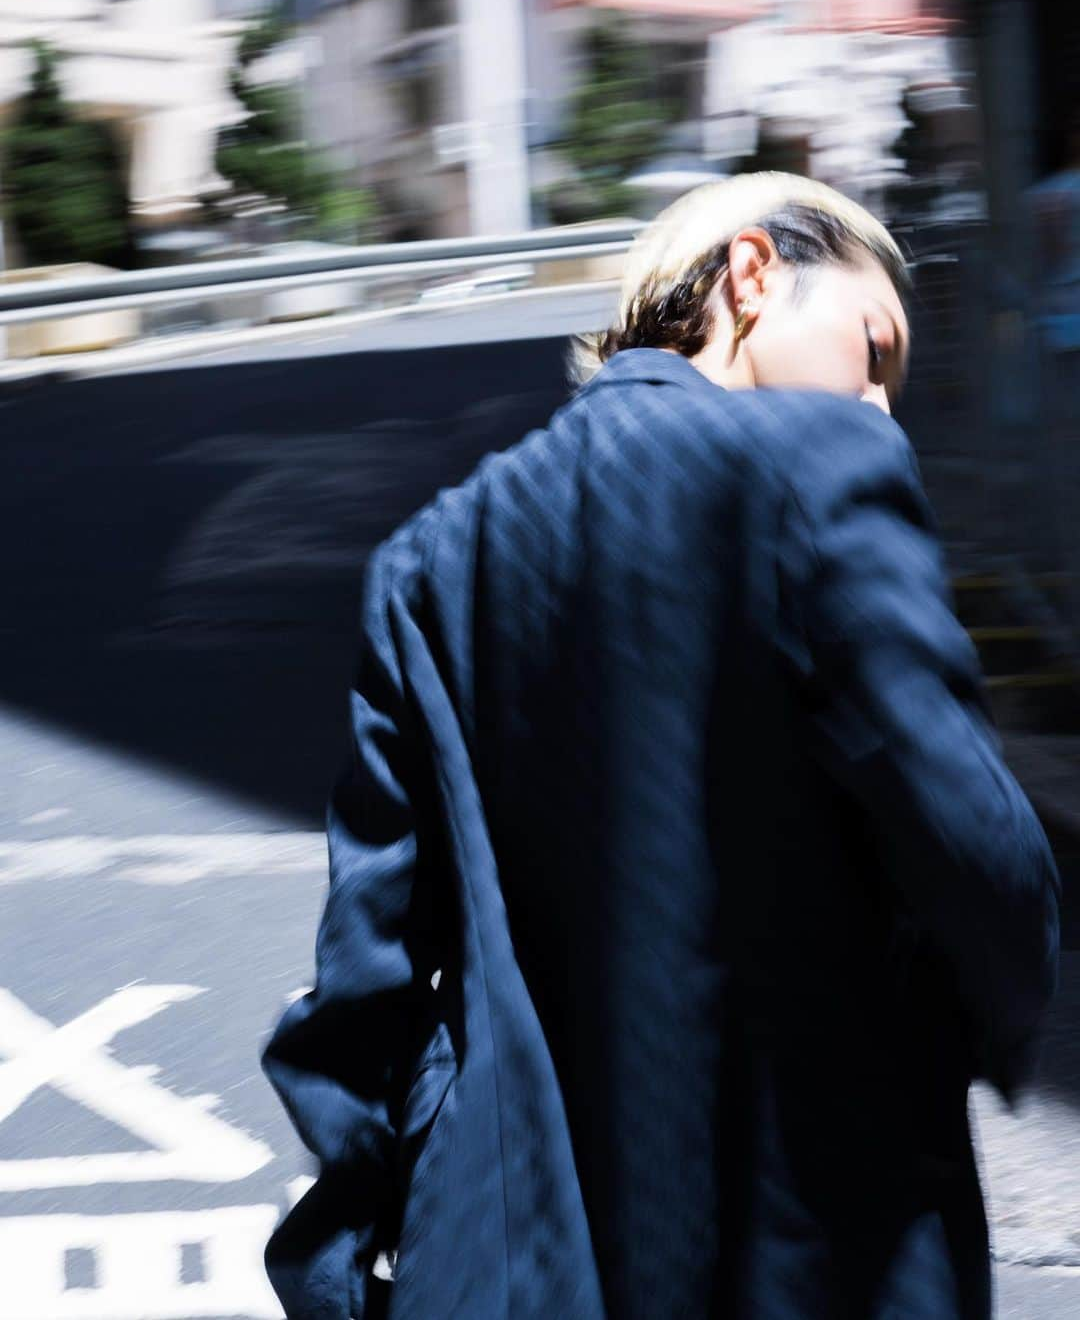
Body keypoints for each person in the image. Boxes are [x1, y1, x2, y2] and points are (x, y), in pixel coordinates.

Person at [262, 172, 1060, 1319]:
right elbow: (984, 860)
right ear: (751, 275)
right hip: (825, 1241)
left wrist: (337, 1271)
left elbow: (367, 979)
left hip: (528, 1262)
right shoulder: (819, 469)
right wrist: (969, 1023)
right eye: (872, 346)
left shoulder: (429, 562)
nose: (883, 405)